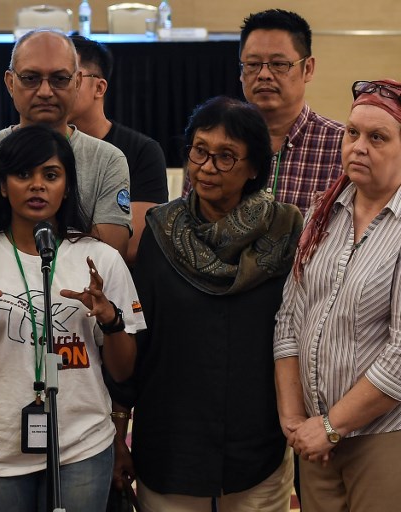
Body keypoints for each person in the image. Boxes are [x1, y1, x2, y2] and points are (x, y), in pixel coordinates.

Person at [0, 124, 145, 512]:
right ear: (2, 186)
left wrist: (111, 321)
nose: (37, 186)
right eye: (23, 174)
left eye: (51, 175)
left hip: (82, 447)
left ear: (67, 184)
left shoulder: (100, 260)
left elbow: (124, 370)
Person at [117, 97, 303, 511]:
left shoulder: (288, 232)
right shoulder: (159, 233)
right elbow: (137, 338)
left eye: (225, 157)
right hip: (171, 442)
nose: (205, 167)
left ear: (254, 167)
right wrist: (117, 431)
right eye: (199, 150)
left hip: (259, 444)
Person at [274, 79, 401, 511]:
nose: (358, 146)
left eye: (377, 137)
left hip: (382, 438)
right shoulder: (322, 212)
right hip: (315, 439)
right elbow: (289, 319)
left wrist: (332, 425)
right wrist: (294, 420)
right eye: (352, 133)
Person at [0, 29, 131, 257]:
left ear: (76, 83)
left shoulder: (108, 160)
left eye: (59, 79)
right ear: (10, 83)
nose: (45, 92)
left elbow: (109, 255)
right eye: (30, 79)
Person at [68, 35, 168, 264]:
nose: (56, 87)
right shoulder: (41, 147)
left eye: (69, 76)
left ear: (99, 87)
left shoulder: (142, 151)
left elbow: (132, 246)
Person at [239, 8, 343, 215]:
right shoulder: (218, 141)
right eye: (252, 64)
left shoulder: (344, 146)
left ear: (308, 69)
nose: (264, 74)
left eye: (279, 64)